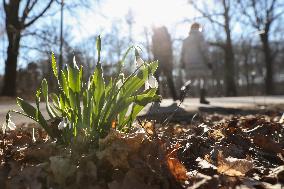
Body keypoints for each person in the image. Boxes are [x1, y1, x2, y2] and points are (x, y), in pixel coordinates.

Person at [180, 23, 212, 104]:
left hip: (189, 63)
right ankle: (202, 98)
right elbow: (204, 49)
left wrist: (182, 62)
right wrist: (209, 61)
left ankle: (183, 90)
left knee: (191, 80)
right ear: (198, 28)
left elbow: (182, 53)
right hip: (200, 62)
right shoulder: (200, 37)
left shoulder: (186, 40)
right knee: (204, 78)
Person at [152, 26, 178, 100]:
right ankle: (175, 96)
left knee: (157, 78)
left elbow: (154, 49)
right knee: (169, 78)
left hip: (160, 59)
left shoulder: (155, 36)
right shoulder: (166, 35)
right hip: (165, 59)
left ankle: (157, 97)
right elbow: (169, 48)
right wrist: (170, 59)